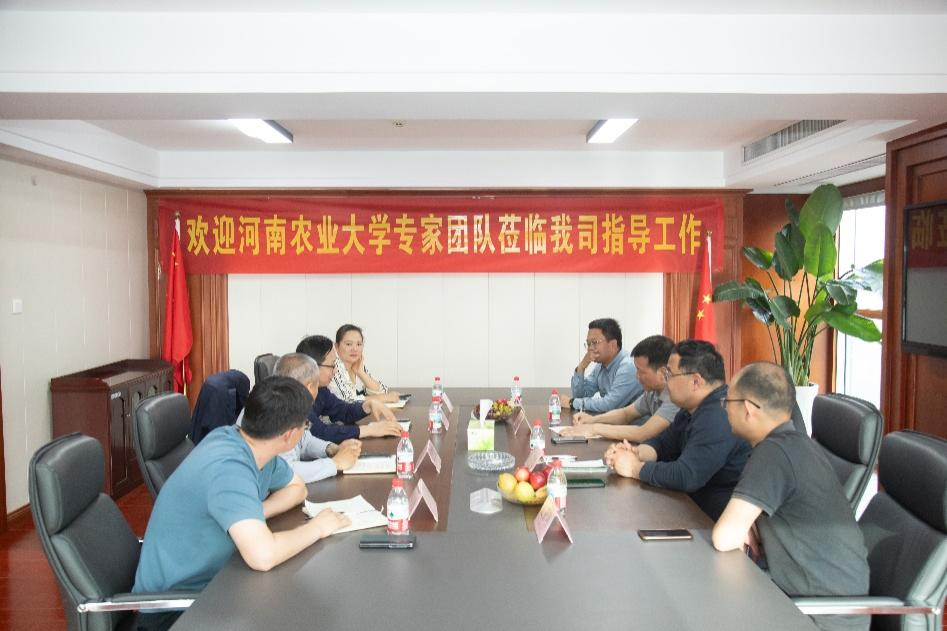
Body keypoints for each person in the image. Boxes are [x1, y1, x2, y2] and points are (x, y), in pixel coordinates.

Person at [133, 377, 350, 630]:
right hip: (176, 609)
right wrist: (318, 527)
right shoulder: (229, 467)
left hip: (219, 580)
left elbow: (296, 488)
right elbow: (263, 556)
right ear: (289, 435)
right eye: (306, 425)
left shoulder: (246, 443)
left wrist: (256, 512)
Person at [713, 362, 869, 631]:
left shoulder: (774, 454)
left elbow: (724, 537)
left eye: (727, 402)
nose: (725, 409)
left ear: (748, 408)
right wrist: (751, 523)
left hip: (817, 618)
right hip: (814, 605)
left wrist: (742, 526)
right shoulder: (795, 444)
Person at [604, 339, 751, 520]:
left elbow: (686, 475)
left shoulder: (718, 415)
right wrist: (635, 452)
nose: (666, 382)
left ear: (695, 381)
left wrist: (634, 468)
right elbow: (663, 443)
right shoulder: (690, 409)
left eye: (670, 375)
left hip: (711, 520)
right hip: (689, 508)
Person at [235, 353, 363, 482]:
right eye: (317, 385)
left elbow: (304, 440)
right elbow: (284, 472)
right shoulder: (273, 410)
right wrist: (335, 463)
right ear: (309, 387)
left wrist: (331, 449)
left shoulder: (289, 403)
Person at [561, 334, 679, 443]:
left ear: (663, 373)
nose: (637, 376)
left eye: (641, 372)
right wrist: (592, 420)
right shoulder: (652, 392)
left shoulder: (675, 397)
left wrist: (594, 429)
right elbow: (625, 414)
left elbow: (642, 433)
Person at [296, 334, 402, 442]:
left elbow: (343, 411)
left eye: (359, 344)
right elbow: (320, 432)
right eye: (332, 365)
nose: (335, 371)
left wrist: (367, 405)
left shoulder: (321, 390)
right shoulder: (294, 397)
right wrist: (369, 430)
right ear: (313, 366)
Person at [562, 317, 642, 414]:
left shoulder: (629, 367)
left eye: (595, 342)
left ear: (613, 345)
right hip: (613, 420)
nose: (590, 348)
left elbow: (609, 405)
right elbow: (580, 396)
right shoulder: (600, 366)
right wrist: (582, 366)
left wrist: (572, 403)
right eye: (588, 344)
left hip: (635, 422)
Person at [330, 323, 401, 403]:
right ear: (336, 346)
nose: (355, 349)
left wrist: (361, 373)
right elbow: (348, 401)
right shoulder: (333, 368)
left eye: (359, 344)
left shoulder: (357, 364)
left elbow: (382, 390)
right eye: (349, 344)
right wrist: (384, 398)